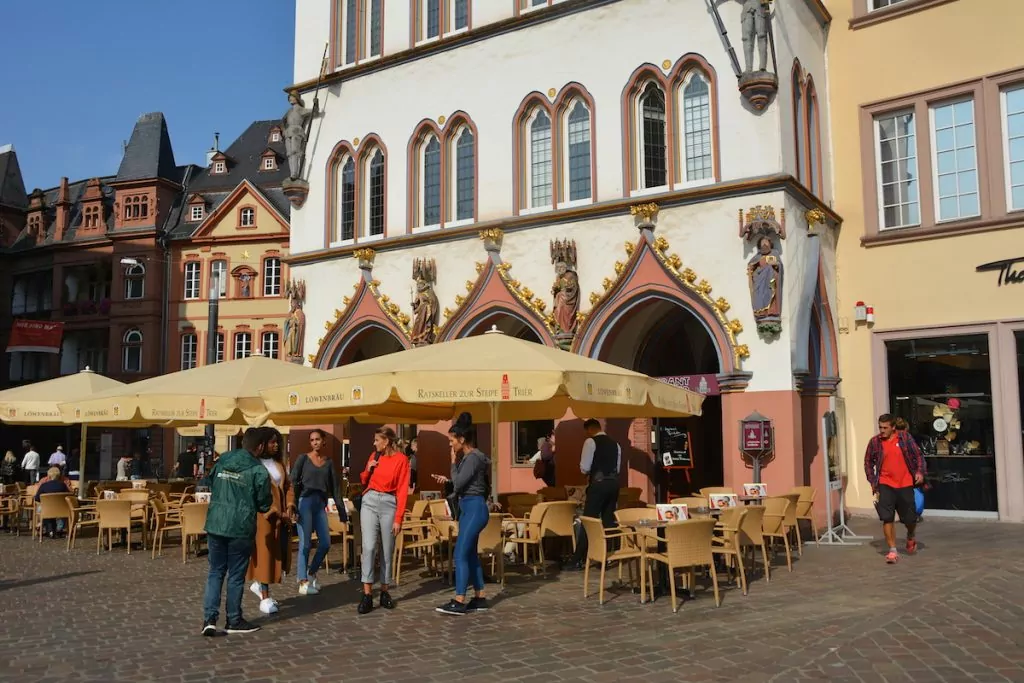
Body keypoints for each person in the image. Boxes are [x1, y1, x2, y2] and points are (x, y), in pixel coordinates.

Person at [201, 428, 272, 636]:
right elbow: (264, 504)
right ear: (259, 447)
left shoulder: (223, 460)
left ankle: (209, 619)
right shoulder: (259, 471)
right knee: (235, 576)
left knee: (215, 572)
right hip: (240, 527)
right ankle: (233, 619)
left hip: (216, 523)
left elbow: (211, 482)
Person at [436, 413, 492, 616]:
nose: (451, 445)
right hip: (469, 507)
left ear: (461, 439)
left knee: (460, 552)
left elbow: (458, 483)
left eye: (452, 440)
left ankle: (459, 600)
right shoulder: (470, 458)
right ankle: (480, 596)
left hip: (475, 508)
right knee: (469, 553)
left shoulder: (472, 457)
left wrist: (452, 463)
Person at [357, 426, 410, 615]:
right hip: (370, 500)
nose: (374, 443)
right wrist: (368, 470)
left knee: (387, 549)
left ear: (386, 441)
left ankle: (385, 591)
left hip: (389, 503)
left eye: (377, 440)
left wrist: (398, 518)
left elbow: (403, 490)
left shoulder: (402, 460)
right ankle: (367, 594)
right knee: (369, 546)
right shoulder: (374, 456)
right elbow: (364, 480)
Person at [864, 413, 926, 565]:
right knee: (887, 517)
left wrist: (919, 472)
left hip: (905, 483)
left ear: (893, 428)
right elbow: (867, 461)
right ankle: (892, 550)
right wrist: (872, 480)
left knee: (910, 519)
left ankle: (910, 535)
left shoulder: (905, 438)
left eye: (885, 427)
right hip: (885, 484)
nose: (882, 430)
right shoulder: (875, 442)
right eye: (880, 427)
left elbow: (918, 456)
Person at [291, 429, 346, 597]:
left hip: (320, 503)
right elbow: (292, 482)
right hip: (304, 502)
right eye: (312, 440)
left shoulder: (328, 462)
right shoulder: (302, 459)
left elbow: (336, 489)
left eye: (317, 439)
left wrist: (341, 511)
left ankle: (311, 572)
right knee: (305, 543)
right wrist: (291, 506)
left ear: (324, 442)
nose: (315, 442)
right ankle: (302, 581)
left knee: (325, 543)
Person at [247, 428, 295, 615]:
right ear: (262, 444)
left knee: (278, 553)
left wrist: (290, 504)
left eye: (277, 442)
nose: (275, 445)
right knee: (265, 556)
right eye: (272, 442)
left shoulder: (278, 464)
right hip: (263, 516)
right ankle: (265, 597)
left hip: (281, 516)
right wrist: (269, 510)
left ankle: (260, 585)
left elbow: (288, 485)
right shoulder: (254, 464)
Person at [565, 419, 622, 571]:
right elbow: (617, 467)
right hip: (614, 484)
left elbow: (584, 468)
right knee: (608, 520)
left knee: (588, 520)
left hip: (598, 484)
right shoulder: (615, 444)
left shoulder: (590, 442)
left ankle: (577, 559)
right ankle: (606, 556)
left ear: (589, 429)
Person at [35, 466, 70, 538]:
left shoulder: (44, 485)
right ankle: (59, 529)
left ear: (49, 475)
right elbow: (69, 496)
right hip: (61, 509)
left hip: (47, 509)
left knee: (42, 509)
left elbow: (37, 498)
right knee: (66, 509)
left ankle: (49, 529)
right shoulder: (63, 485)